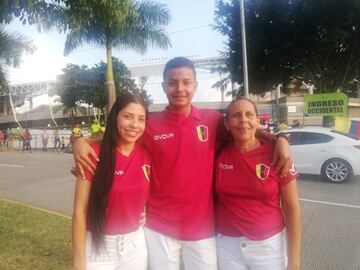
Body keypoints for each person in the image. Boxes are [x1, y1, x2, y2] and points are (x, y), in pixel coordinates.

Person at [73, 57, 292, 270]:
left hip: (202, 230)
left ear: (195, 85)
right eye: (172, 82)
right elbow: (117, 137)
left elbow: (245, 128)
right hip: (159, 228)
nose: (180, 88)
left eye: (186, 82)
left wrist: (280, 138)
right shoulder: (150, 124)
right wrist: (79, 140)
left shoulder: (213, 120)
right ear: (163, 86)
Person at [215, 97, 301, 270]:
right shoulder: (217, 152)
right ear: (226, 123)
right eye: (236, 115)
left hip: (268, 249)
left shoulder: (278, 156)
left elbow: (292, 209)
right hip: (227, 248)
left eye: (249, 115)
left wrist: (294, 262)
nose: (243, 120)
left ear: (257, 120)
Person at [72, 93, 151, 270]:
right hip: (98, 248)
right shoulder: (92, 154)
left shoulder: (147, 152)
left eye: (141, 119)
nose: (134, 125)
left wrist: (145, 208)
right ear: (115, 116)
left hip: (135, 247)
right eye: (127, 116)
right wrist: (78, 264)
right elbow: (79, 212)